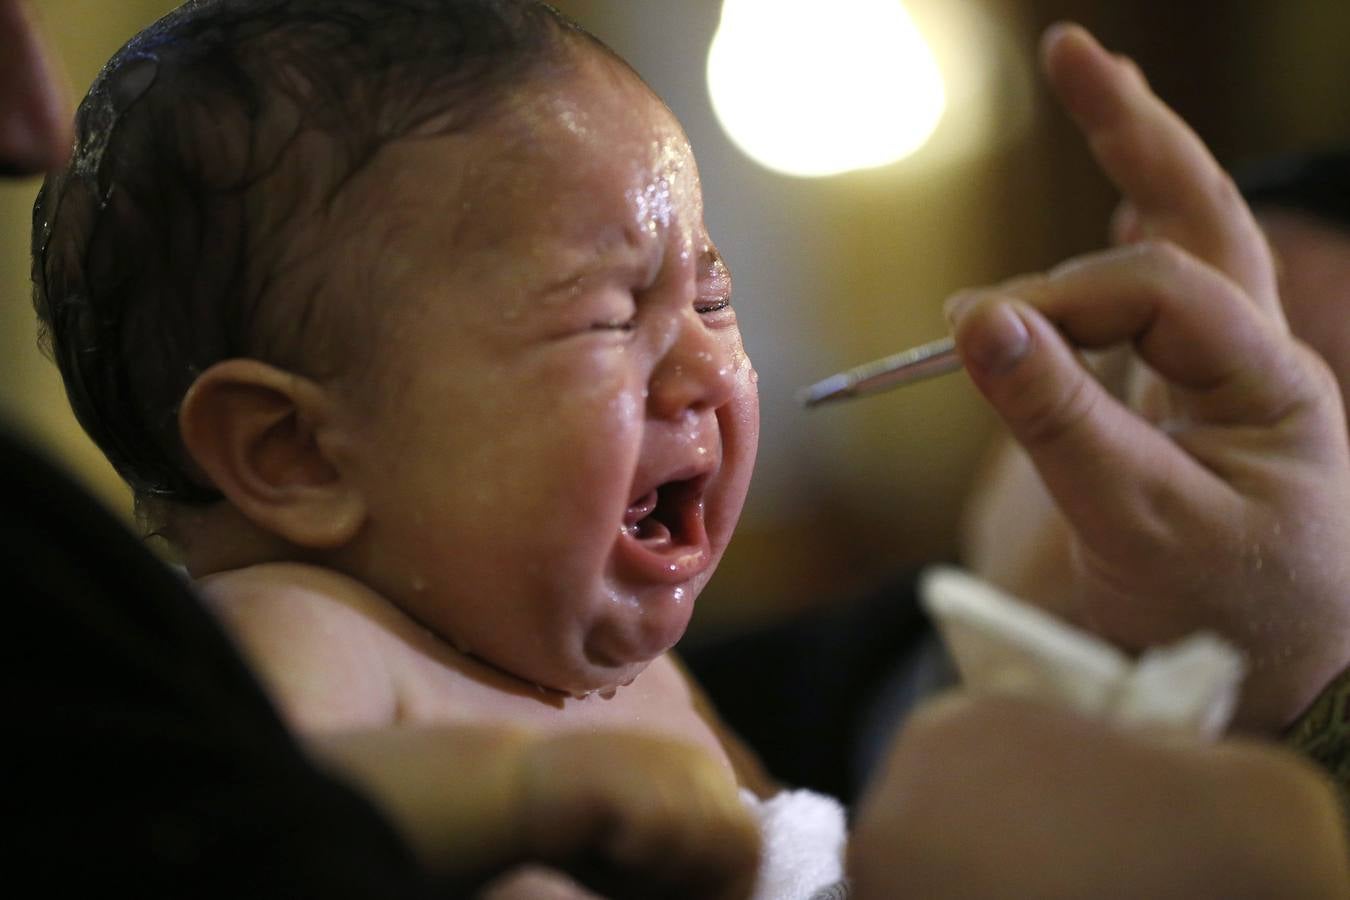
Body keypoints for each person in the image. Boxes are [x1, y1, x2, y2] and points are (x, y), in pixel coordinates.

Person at [9, 1, 1350, 897]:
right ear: (296, 452)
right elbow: (232, 834)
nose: (709, 367)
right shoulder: (302, 636)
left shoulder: (646, 689)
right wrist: (517, 795)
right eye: (609, 313)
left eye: (710, 298)